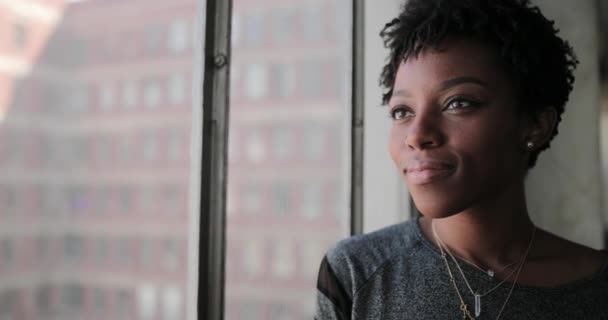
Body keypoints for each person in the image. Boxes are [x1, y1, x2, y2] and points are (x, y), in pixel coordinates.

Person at [315, 0, 608, 319]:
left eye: (458, 103)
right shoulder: (355, 274)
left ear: (535, 125)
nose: (416, 134)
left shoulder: (596, 289)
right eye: (402, 111)